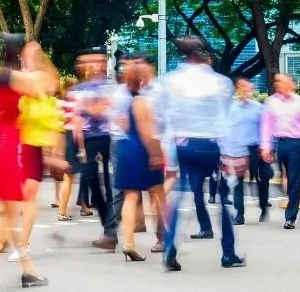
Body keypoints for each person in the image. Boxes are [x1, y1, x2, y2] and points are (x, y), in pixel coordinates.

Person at [0, 35, 58, 292]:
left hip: (0, 144)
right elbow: (48, 84)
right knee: (2, 219)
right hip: (7, 146)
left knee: (7, 216)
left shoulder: (2, 79)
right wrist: (38, 59)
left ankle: (28, 271)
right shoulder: (12, 78)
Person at [158, 37, 246, 272]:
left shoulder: (171, 81)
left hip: (183, 146)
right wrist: (229, 155)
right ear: (205, 55)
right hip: (211, 147)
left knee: (180, 197)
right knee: (222, 201)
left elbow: (166, 120)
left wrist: (168, 155)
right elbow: (224, 120)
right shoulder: (221, 83)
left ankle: (170, 248)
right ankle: (228, 253)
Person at [113, 59, 166, 261]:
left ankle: (128, 242)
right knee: (159, 193)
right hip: (141, 151)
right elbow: (147, 131)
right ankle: (165, 237)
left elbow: (124, 125)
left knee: (131, 196)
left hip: (126, 147)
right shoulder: (142, 101)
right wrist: (155, 153)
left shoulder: (125, 99)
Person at [14, 70, 66, 262]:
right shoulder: (23, 101)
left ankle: (23, 244)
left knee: (28, 198)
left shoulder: (48, 104)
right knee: (15, 200)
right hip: (19, 151)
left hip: (34, 152)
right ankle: (9, 239)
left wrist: (55, 157)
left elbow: (56, 133)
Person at [70, 48, 114, 249]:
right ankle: (109, 228)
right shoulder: (81, 88)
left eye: (98, 61)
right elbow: (77, 121)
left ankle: (110, 230)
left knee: (108, 183)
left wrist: (84, 106)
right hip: (87, 140)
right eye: (88, 62)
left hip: (106, 138)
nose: (94, 65)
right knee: (90, 182)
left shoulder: (108, 87)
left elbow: (101, 111)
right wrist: (80, 146)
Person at [260, 74, 300, 230]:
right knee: (285, 178)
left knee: (295, 179)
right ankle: (292, 196)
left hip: (297, 144)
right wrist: (266, 146)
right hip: (280, 143)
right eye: (276, 81)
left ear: (291, 84)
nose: (277, 84)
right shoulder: (271, 102)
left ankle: (290, 217)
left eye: (281, 81)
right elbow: (266, 126)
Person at [222, 77, 268, 225]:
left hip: (255, 148)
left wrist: (266, 147)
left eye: (246, 86)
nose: (244, 89)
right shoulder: (231, 107)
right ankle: (239, 215)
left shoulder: (258, 108)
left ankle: (263, 206)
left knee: (259, 180)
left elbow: (265, 129)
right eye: (241, 86)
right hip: (238, 148)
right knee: (238, 183)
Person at [55, 77, 82, 221]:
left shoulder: (61, 102)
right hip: (72, 138)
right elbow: (77, 124)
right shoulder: (74, 101)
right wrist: (82, 147)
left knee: (66, 176)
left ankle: (62, 208)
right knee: (68, 177)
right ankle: (62, 211)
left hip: (62, 137)